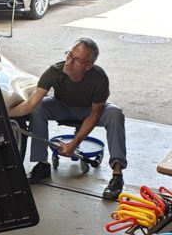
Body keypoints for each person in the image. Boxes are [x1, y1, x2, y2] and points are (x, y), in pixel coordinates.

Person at [8, 38, 127, 200]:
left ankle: (117, 176)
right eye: (69, 55)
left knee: (115, 114)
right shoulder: (54, 72)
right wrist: (3, 112)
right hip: (62, 106)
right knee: (39, 107)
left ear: (88, 66)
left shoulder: (99, 78)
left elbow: (95, 114)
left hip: (90, 110)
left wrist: (74, 143)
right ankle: (42, 165)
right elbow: (29, 105)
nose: (69, 62)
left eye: (76, 60)